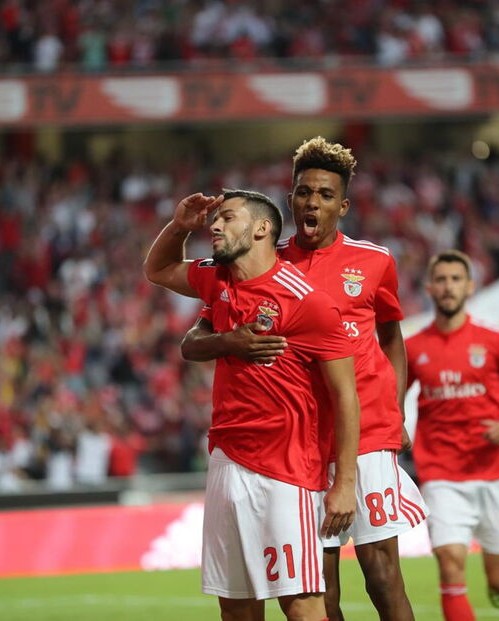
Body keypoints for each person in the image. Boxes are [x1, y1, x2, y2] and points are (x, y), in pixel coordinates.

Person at [182, 137, 426, 621]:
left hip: (368, 431)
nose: (312, 202)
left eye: (325, 194)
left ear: (343, 205)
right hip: (308, 440)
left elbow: (392, 339)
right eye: (303, 192)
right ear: (290, 199)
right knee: (321, 582)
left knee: (381, 571)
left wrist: (396, 410)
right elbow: (189, 296)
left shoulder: (375, 261)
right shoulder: (264, 260)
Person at [144, 189, 361, 621]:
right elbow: (158, 268)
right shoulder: (217, 280)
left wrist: (346, 482)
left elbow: (345, 394)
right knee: (237, 606)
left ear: (262, 228)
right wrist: (179, 227)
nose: (216, 226)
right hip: (226, 459)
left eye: (227, 217)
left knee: (301, 604)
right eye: (214, 221)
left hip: (287, 470)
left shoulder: (307, 301)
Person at [405, 250, 499, 621]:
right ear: (429, 288)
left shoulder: (495, 339)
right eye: (442, 280)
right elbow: (394, 398)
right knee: (450, 563)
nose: (448, 287)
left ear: (470, 287)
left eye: (455, 280)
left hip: (497, 470)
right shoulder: (414, 347)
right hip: (442, 473)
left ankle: (498, 586)